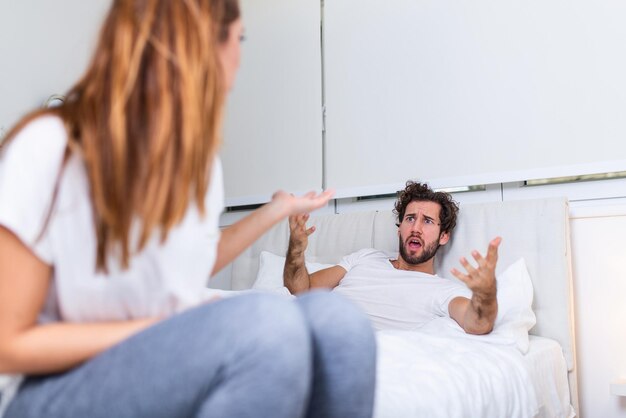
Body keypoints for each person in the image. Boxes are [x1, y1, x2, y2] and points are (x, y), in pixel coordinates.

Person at [0, 1, 376, 417]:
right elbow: (8, 345)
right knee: (267, 325)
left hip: (151, 362)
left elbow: (191, 261)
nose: (240, 56)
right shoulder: (49, 147)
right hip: (52, 388)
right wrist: (157, 331)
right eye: (239, 39)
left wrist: (277, 210)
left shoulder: (194, 167)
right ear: (199, 47)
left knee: (341, 327)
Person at [284, 181, 501, 335]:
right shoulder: (365, 258)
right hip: (307, 332)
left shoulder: (445, 292)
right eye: (410, 218)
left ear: (443, 236)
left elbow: (477, 323)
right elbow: (301, 289)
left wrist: (487, 292)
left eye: (427, 221)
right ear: (399, 229)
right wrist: (296, 249)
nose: (415, 228)